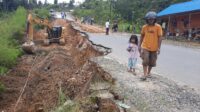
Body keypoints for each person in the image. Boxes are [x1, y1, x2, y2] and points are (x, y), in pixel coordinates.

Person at [139, 11, 163, 81]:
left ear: (155, 19)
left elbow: (160, 37)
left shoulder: (158, 27)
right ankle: (144, 74)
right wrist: (139, 46)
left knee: (152, 62)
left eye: (152, 19)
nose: (151, 20)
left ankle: (148, 72)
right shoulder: (144, 27)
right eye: (149, 19)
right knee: (145, 60)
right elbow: (141, 36)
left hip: (154, 47)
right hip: (145, 46)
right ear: (147, 19)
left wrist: (159, 47)